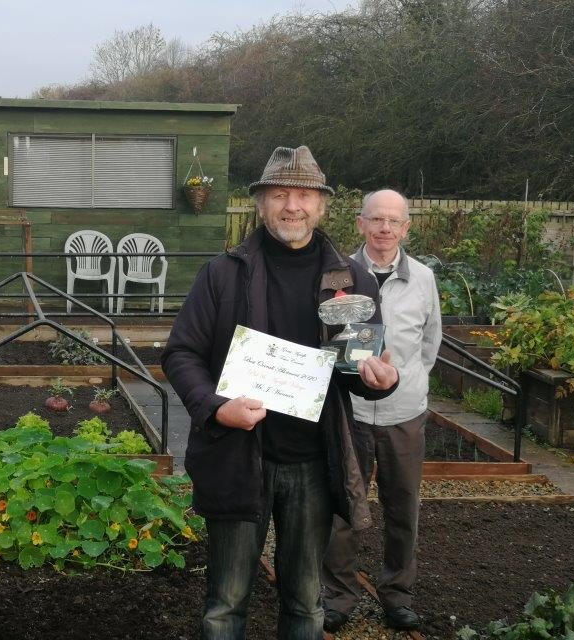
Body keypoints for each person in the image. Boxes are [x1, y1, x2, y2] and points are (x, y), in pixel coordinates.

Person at [162, 146, 399, 640]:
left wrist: (381, 379)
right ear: (260, 204)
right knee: (225, 603)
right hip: (237, 454)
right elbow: (181, 354)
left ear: (322, 205)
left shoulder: (350, 280)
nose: (292, 206)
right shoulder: (222, 274)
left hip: (314, 460)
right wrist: (216, 408)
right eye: (279, 195)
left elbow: (357, 369)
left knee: (306, 602)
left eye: (304, 196)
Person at [320, 189, 441, 632]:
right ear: (360, 224)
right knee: (344, 508)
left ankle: (396, 594)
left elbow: (430, 345)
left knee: (402, 508)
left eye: (394, 221)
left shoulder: (424, 279)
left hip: (404, 415)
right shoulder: (340, 277)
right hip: (349, 412)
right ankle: (338, 595)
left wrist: (404, 384)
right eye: (376, 219)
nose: (385, 228)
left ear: (406, 227)